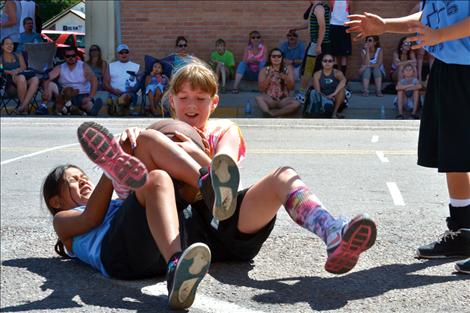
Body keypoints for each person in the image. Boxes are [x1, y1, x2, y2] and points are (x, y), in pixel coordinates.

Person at [126, 60, 377, 275]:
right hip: (181, 230)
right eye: (184, 98)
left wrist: (195, 153)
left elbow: (227, 170)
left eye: (200, 99)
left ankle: (331, 232)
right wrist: (131, 145)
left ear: (214, 103)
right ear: (171, 100)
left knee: (283, 175)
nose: (192, 106)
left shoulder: (224, 129)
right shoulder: (159, 135)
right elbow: (138, 190)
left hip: (228, 225)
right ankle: (176, 263)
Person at [346, 0, 470, 275]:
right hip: (449, 67)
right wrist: (386, 26)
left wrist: (439, 36)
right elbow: (429, 17)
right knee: (454, 156)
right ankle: (464, 233)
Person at [42, 147, 211, 309]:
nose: (83, 180)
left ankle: (176, 263)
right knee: (156, 178)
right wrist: (112, 166)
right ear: (56, 202)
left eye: (84, 176)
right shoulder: (62, 220)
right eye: (73, 180)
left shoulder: (114, 204)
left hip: (155, 256)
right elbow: (91, 218)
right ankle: (176, 264)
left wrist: (137, 148)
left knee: (168, 179)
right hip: (117, 257)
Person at [290, 0, 331, 102]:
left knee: (307, 70)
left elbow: (322, 26)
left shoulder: (318, 8)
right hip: (316, 44)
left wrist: (318, 45)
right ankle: (314, 93)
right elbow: (310, 24)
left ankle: (302, 95)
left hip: (316, 44)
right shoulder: (316, 7)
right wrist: (296, 28)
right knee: (313, 70)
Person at [42, 46, 102, 116]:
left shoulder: (83, 66)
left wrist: (90, 97)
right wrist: (46, 91)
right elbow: (47, 78)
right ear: (64, 57)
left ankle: (92, 111)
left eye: (73, 56)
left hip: (81, 94)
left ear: (76, 56)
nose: (71, 58)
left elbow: (94, 80)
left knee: (88, 103)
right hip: (65, 95)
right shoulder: (60, 67)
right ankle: (43, 106)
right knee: (50, 84)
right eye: (68, 56)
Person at [255, 48, 301, 117]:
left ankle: (272, 114)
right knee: (258, 98)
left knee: (296, 103)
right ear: (270, 57)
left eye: (279, 56)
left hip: (284, 100)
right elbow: (261, 89)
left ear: (282, 58)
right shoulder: (264, 70)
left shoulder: (288, 68)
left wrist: (285, 77)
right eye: (273, 56)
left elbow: (292, 88)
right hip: (270, 99)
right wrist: (269, 77)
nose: (276, 58)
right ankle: (269, 112)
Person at [0, 36, 39, 114]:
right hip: (10, 83)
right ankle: (24, 107)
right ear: (2, 46)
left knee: (35, 79)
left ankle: (22, 107)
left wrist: (17, 70)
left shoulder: (18, 55)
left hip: (22, 79)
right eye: (7, 44)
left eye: (11, 44)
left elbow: (23, 67)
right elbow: (1, 69)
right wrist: (11, 72)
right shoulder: (1, 58)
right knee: (21, 77)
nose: (10, 46)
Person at [104, 44, 141, 116]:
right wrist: (114, 91)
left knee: (127, 96)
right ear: (117, 54)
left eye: (126, 52)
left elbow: (140, 82)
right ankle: (119, 108)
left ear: (129, 53)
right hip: (114, 93)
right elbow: (105, 83)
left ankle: (117, 106)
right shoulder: (111, 66)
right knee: (122, 100)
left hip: (130, 93)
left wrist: (134, 89)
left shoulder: (136, 66)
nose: (124, 54)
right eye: (121, 52)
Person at [312, 53, 347, 118]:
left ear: (333, 62)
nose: (327, 63)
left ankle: (334, 113)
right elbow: (317, 91)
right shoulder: (317, 74)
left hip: (335, 97)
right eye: (325, 61)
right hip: (323, 98)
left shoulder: (337, 73)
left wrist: (334, 94)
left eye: (330, 61)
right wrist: (326, 97)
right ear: (321, 62)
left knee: (342, 88)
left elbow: (344, 81)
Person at [329, 0, 353, 76]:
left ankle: (342, 78)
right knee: (335, 54)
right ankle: (337, 78)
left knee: (344, 55)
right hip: (334, 24)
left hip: (344, 25)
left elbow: (350, 9)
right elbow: (331, 8)